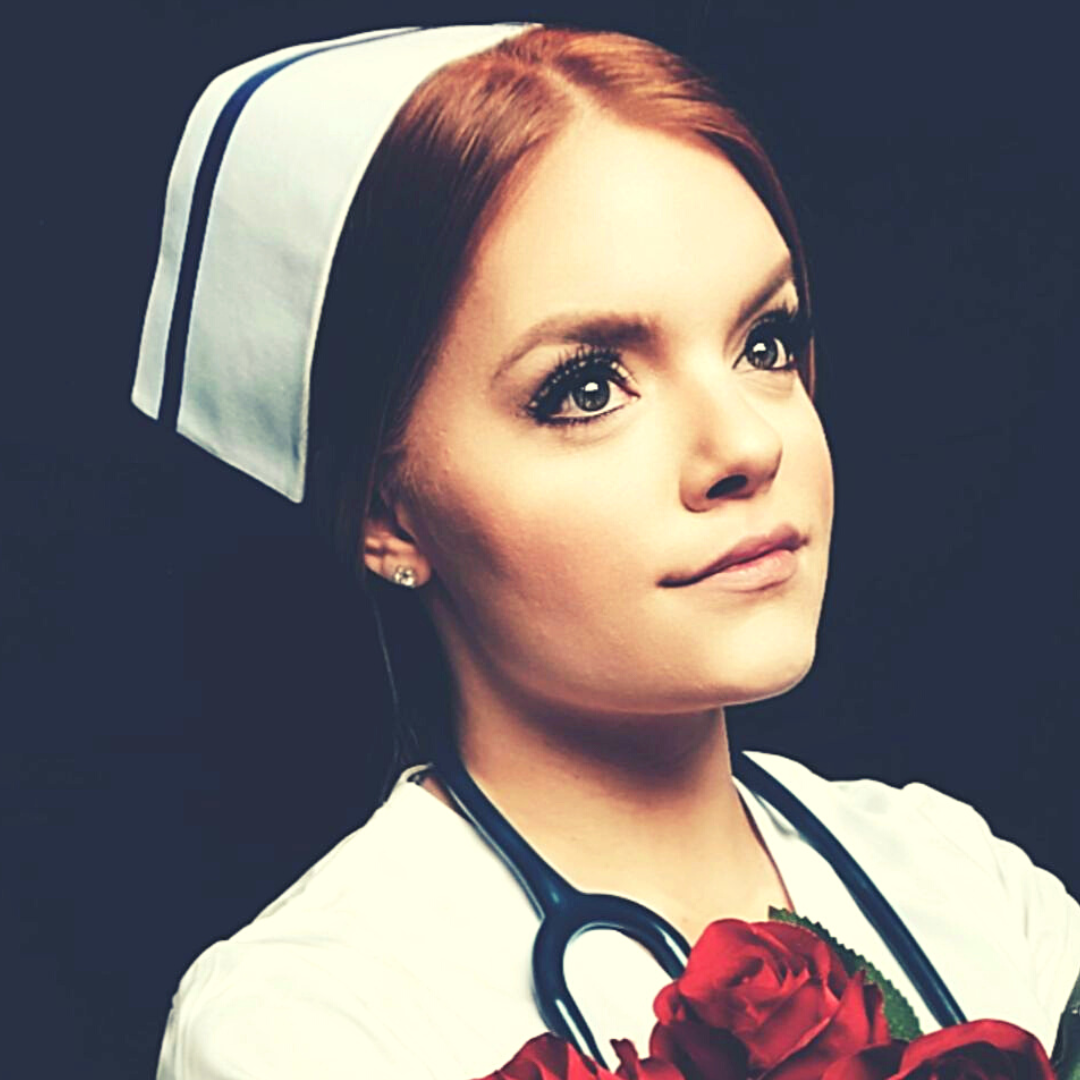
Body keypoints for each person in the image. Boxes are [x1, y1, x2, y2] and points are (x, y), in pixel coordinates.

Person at [133, 22, 1080, 1080]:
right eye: (587, 388)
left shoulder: (959, 882)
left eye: (763, 342)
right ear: (388, 511)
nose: (747, 443)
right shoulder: (306, 1024)